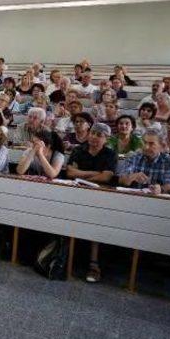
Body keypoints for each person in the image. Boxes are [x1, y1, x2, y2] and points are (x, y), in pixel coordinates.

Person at [66, 122, 117, 284]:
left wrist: (81, 176)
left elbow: (106, 177)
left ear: (106, 139)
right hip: (76, 192)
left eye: (99, 135)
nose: (94, 137)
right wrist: (93, 173)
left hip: (100, 195)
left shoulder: (109, 154)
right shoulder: (78, 150)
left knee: (95, 223)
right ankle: (64, 256)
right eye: (93, 133)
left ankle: (94, 264)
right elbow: (69, 172)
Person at [118, 129, 170, 194]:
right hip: (133, 196)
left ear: (162, 146)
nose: (146, 147)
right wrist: (131, 177)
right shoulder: (133, 156)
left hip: (156, 199)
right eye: (144, 142)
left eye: (151, 144)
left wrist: (161, 189)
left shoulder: (169, 161)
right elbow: (121, 180)